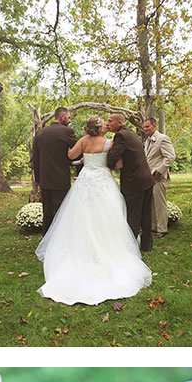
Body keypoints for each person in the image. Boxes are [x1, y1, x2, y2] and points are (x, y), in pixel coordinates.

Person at [35, 115, 153, 305]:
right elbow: (119, 164)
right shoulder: (108, 143)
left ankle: (80, 248)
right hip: (103, 181)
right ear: (100, 128)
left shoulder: (83, 141)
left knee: (81, 215)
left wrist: (85, 158)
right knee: (109, 215)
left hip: (86, 180)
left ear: (87, 128)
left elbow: (70, 155)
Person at [106, 112, 155, 252]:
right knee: (146, 214)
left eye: (110, 121)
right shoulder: (131, 133)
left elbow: (112, 157)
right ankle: (146, 245)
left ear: (120, 122)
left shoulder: (121, 136)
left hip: (134, 181)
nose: (108, 124)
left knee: (133, 214)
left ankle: (131, 247)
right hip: (146, 179)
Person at [32, 108, 77, 234]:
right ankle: (62, 236)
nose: (70, 120)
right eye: (68, 117)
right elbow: (77, 151)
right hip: (60, 178)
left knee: (47, 211)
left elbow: (36, 159)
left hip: (45, 179)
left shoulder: (40, 133)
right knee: (62, 210)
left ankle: (47, 237)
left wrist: (38, 180)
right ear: (62, 117)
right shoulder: (67, 131)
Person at [142, 117, 176, 237]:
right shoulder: (147, 141)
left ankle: (162, 229)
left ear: (154, 125)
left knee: (159, 203)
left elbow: (170, 156)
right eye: (144, 127)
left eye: (147, 126)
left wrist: (159, 171)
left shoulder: (162, 138)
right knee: (151, 202)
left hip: (157, 176)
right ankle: (154, 227)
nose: (145, 129)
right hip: (148, 176)